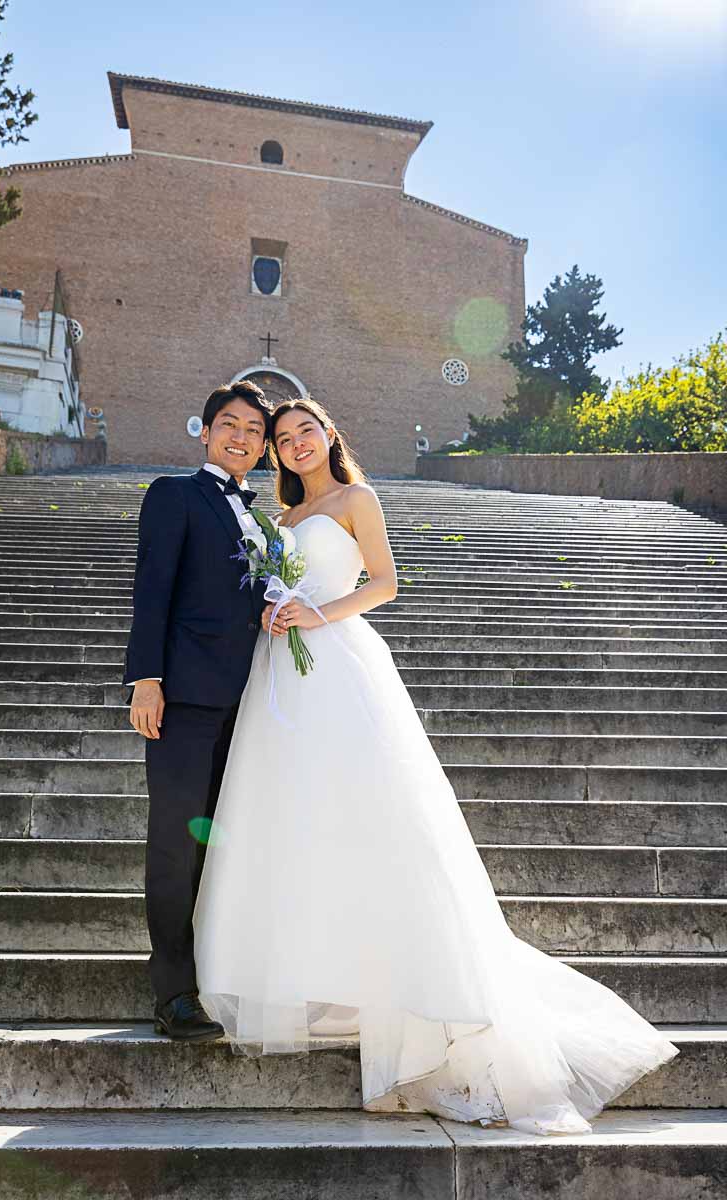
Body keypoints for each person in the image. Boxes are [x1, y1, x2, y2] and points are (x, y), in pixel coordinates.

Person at [192, 396, 678, 1135]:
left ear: (329, 434)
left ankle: (428, 1004)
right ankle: (326, 977)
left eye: (304, 432)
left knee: (377, 821)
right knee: (296, 824)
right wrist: (274, 607)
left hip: (341, 666)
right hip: (282, 679)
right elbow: (273, 584)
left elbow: (384, 583)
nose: (293, 445)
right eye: (282, 439)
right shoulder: (280, 521)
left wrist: (314, 615)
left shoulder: (358, 498)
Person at [124, 380, 272, 1040]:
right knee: (176, 843)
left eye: (254, 431)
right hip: (184, 697)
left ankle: (215, 971)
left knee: (224, 843)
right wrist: (146, 680)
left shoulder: (258, 514)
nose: (241, 437)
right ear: (205, 431)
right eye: (230, 425)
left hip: (249, 704)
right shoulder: (175, 496)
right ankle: (174, 992)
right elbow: (151, 590)